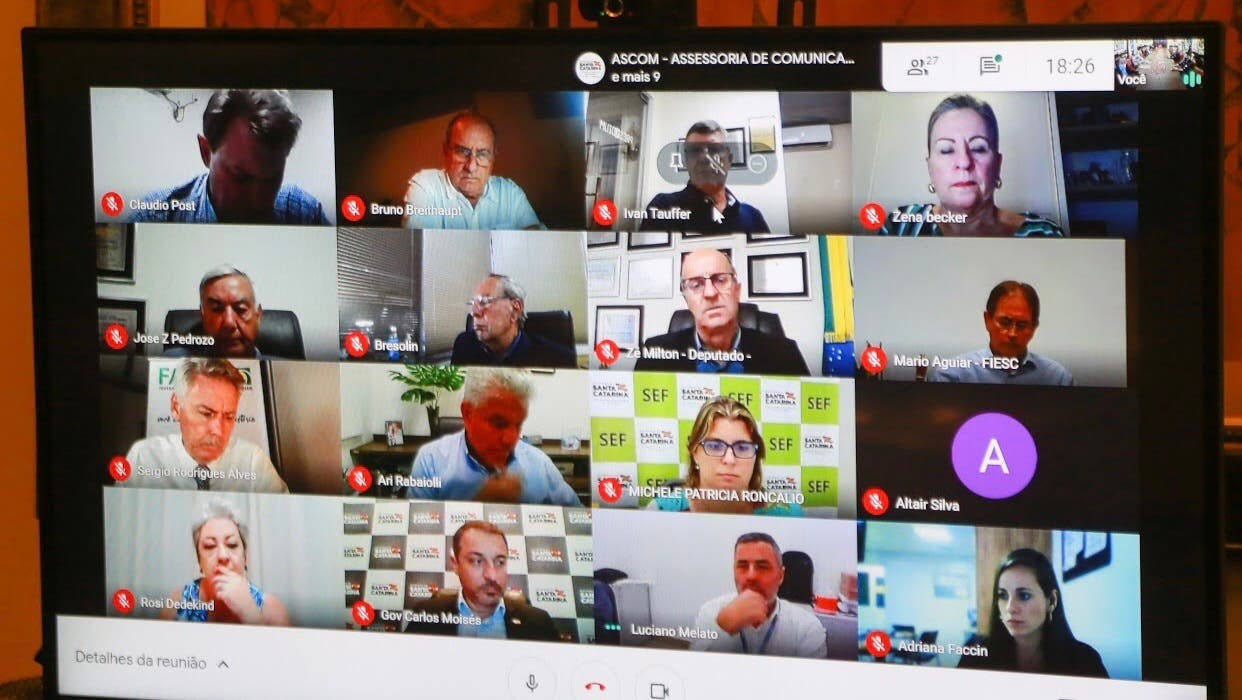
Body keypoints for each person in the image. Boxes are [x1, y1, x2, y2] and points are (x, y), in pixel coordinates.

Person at [132, 89, 328, 225]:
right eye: (240, 177)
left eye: (271, 178)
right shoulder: (154, 215)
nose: (258, 200)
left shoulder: (306, 213)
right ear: (206, 152)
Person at [880, 94, 1063, 237]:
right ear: (930, 169)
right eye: (946, 150)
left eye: (978, 148)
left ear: (997, 165)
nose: (964, 162)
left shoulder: (1043, 234)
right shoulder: (901, 225)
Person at [405, 367, 581, 506]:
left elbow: (578, 518)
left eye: (518, 424)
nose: (511, 440)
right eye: (499, 424)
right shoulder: (431, 460)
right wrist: (481, 503)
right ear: (467, 413)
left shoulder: (540, 465)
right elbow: (417, 531)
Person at [120, 358, 288, 493]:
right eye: (206, 413)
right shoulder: (143, 458)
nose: (218, 430)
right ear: (176, 407)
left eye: (229, 417)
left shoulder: (253, 461)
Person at [634, 249, 809, 375]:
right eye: (696, 285)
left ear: (737, 290)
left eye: (720, 280)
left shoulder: (785, 353)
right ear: (686, 299)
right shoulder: (654, 353)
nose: (710, 293)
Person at [958, 548, 1108, 677]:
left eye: (1024, 595)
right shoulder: (976, 653)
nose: (1010, 608)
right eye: (1003, 595)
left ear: (1051, 601)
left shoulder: (1084, 660)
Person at [403, 520, 558, 640]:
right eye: (477, 561)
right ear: (455, 564)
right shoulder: (426, 615)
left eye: (500, 562)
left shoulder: (539, 622)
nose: (492, 575)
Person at [648, 396, 798, 516]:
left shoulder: (788, 514)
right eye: (715, 446)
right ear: (694, 453)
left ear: (756, 457)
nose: (729, 460)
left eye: (742, 447)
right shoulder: (660, 512)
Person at [690, 532, 827, 658]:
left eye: (762, 566)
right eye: (742, 566)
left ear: (781, 575)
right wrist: (722, 629)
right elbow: (696, 669)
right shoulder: (710, 612)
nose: (751, 576)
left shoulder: (807, 628)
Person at [402, 112, 544, 230]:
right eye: (462, 152)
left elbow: (537, 243)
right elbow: (420, 249)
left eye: (482, 154)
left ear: (493, 156)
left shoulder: (509, 193)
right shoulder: (426, 186)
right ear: (446, 151)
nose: (471, 167)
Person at [160, 499, 290, 625]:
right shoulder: (177, 603)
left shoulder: (272, 609)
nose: (223, 556)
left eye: (232, 544)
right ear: (199, 559)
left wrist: (251, 614)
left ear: (245, 556)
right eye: (210, 546)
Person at [928, 280, 1073, 386]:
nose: (1012, 333)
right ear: (987, 320)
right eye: (1005, 322)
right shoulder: (953, 375)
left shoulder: (1058, 379)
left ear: (1034, 327)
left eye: (1022, 325)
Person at [640, 120, 769, 233]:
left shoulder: (753, 216)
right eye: (695, 151)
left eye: (714, 150)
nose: (704, 158)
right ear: (685, 161)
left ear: (729, 159)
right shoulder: (663, 207)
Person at [450, 274, 576, 369]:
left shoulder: (556, 358)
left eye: (485, 301)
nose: (474, 313)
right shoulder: (464, 346)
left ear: (515, 309)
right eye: (473, 303)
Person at [165, 265, 270, 358]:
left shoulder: (278, 368)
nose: (229, 323)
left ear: (258, 315)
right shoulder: (174, 362)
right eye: (217, 309)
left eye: (240, 309)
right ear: (202, 315)